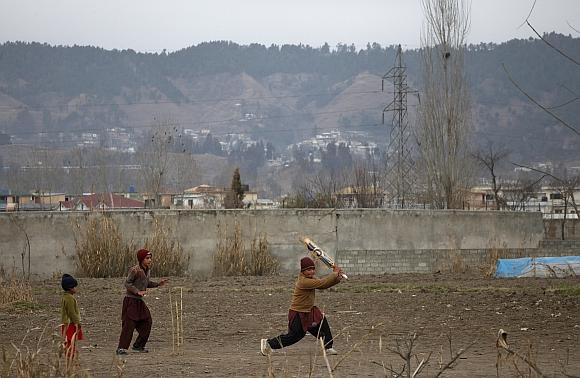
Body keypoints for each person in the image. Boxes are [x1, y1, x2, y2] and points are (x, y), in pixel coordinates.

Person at [261, 256, 343, 356]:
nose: (311, 272)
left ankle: (328, 347)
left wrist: (337, 278)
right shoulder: (304, 281)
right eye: (308, 270)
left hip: (309, 311)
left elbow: (323, 285)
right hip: (298, 313)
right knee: (294, 336)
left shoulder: (310, 279)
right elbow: (321, 283)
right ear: (303, 271)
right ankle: (269, 343)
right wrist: (334, 273)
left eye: (313, 269)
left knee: (322, 323)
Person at [116, 249, 168, 355]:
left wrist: (158, 284)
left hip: (139, 301)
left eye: (150, 258)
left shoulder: (147, 270)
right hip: (130, 300)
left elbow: (146, 282)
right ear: (141, 259)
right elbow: (127, 283)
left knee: (147, 321)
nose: (149, 260)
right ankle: (121, 348)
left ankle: (138, 345)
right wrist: (137, 291)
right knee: (129, 324)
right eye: (147, 258)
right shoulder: (135, 270)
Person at [61, 273, 83, 359]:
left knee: (69, 341)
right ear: (70, 288)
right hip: (70, 323)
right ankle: (70, 357)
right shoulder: (69, 298)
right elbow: (71, 312)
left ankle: (70, 357)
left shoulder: (66, 297)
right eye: (74, 287)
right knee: (70, 341)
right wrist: (77, 323)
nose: (76, 289)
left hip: (66, 323)